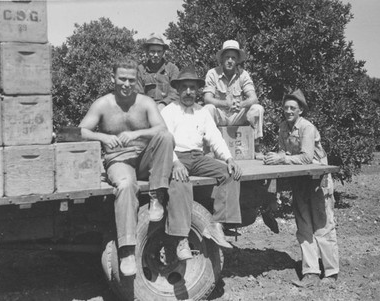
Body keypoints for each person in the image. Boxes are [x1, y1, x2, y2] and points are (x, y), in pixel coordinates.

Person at [79, 58, 192, 277]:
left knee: (166, 137)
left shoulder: (145, 102)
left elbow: (161, 128)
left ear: (136, 80)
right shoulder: (103, 104)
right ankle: (127, 251)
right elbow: (81, 130)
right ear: (113, 78)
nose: (126, 84)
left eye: (131, 80)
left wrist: (136, 134)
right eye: (122, 79)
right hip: (119, 160)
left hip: (144, 158)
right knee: (125, 185)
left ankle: (157, 197)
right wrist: (102, 136)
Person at [263, 89, 339, 287]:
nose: (288, 111)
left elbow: (306, 157)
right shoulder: (283, 127)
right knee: (303, 225)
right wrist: (272, 157)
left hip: (317, 179)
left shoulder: (307, 128)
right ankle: (310, 271)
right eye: (286, 107)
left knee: (323, 225)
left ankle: (331, 273)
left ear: (300, 111)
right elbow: (283, 151)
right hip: (300, 179)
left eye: (293, 108)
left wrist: (282, 158)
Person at [161, 65, 243, 249]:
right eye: (184, 88)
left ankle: (217, 226)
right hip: (176, 157)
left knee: (230, 173)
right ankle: (181, 239)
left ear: (197, 90)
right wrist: (175, 163)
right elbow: (163, 142)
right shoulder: (169, 111)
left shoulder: (202, 112)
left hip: (198, 157)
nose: (188, 92)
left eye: (192, 88)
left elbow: (215, 138)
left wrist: (229, 158)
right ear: (178, 89)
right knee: (181, 183)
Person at [202, 40, 264, 156]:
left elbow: (253, 98)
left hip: (237, 115)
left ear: (237, 60)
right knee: (208, 108)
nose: (230, 61)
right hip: (221, 115)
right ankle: (208, 148)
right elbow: (207, 98)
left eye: (233, 58)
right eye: (227, 57)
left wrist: (241, 104)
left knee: (257, 108)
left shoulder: (243, 74)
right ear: (222, 59)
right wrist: (225, 103)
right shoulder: (212, 73)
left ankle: (256, 147)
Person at [137, 33, 179, 111]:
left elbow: (175, 93)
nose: (156, 55)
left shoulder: (172, 69)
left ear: (163, 52)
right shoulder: (140, 69)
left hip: (168, 109)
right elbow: (139, 94)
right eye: (152, 51)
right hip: (146, 109)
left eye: (159, 51)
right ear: (147, 52)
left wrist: (163, 104)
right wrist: (150, 108)